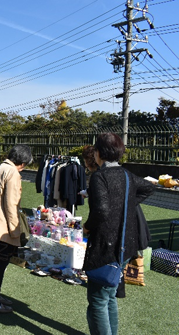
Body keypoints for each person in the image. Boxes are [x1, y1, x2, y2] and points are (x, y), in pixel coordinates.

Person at [83, 133, 154, 334]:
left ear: (98, 153)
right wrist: (126, 204)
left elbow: (101, 211)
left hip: (106, 245)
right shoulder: (126, 174)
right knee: (110, 295)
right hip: (125, 244)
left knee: (97, 300)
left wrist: (87, 227)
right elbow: (149, 187)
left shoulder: (99, 176)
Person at [0, 144, 33, 313]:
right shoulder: (13, 173)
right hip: (2, 224)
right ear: (22, 163)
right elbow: (11, 204)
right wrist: (15, 230)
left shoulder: (0, 167)